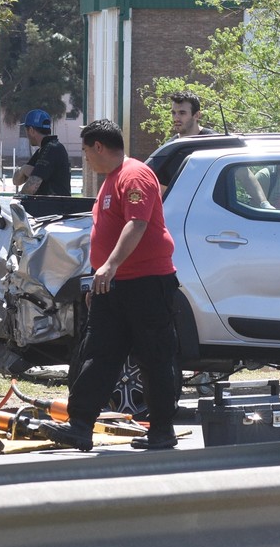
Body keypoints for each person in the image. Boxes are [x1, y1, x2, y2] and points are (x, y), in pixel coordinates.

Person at [40, 119, 180, 453]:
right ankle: (80, 426)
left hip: (146, 283)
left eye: (87, 151)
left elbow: (138, 223)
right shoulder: (110, 181)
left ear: (99, 147)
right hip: (113, 285)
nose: (86, 159)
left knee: (154, 357)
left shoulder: (134, 175)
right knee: (97, 354)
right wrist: (97, 278)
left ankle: (162, 430)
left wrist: (111, 265)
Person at [13, 109, 72, 196]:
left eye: (26, 130)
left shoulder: (51, 149)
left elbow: (31, 188)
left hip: (55, 207)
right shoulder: (43, 150)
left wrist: (18, 198)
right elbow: (16, 181)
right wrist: (23, 169)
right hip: (50, 206)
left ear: (31, 130)